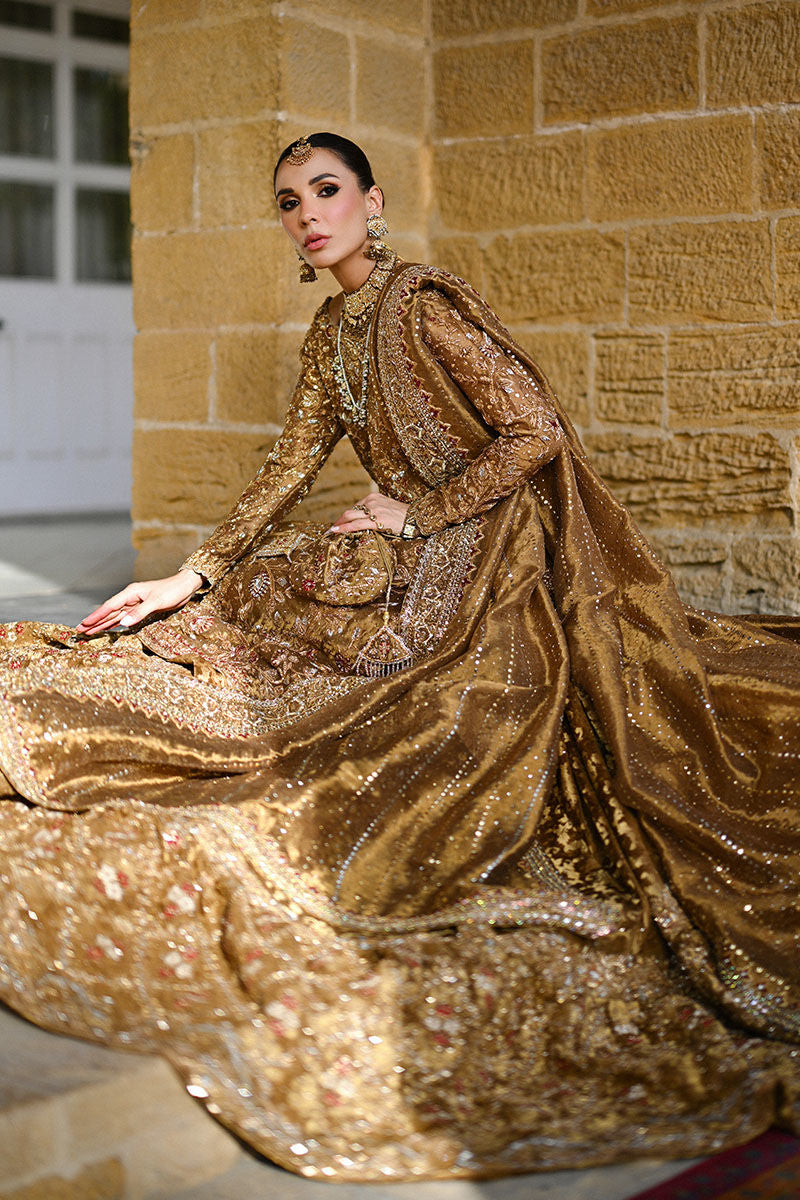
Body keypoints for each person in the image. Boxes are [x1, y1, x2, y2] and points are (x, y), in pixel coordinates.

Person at [0, 132, 798, 1184]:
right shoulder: (333, 330)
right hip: (415, 549)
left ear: (370, 200)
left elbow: (532, 433)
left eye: (325, 191)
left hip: (496, 554)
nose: (306, 213)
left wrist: (418, 512)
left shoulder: (420, 302)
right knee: (247, 613)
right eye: (288, 201)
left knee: (405, 712)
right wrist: (187, 576)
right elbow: (288, 467)